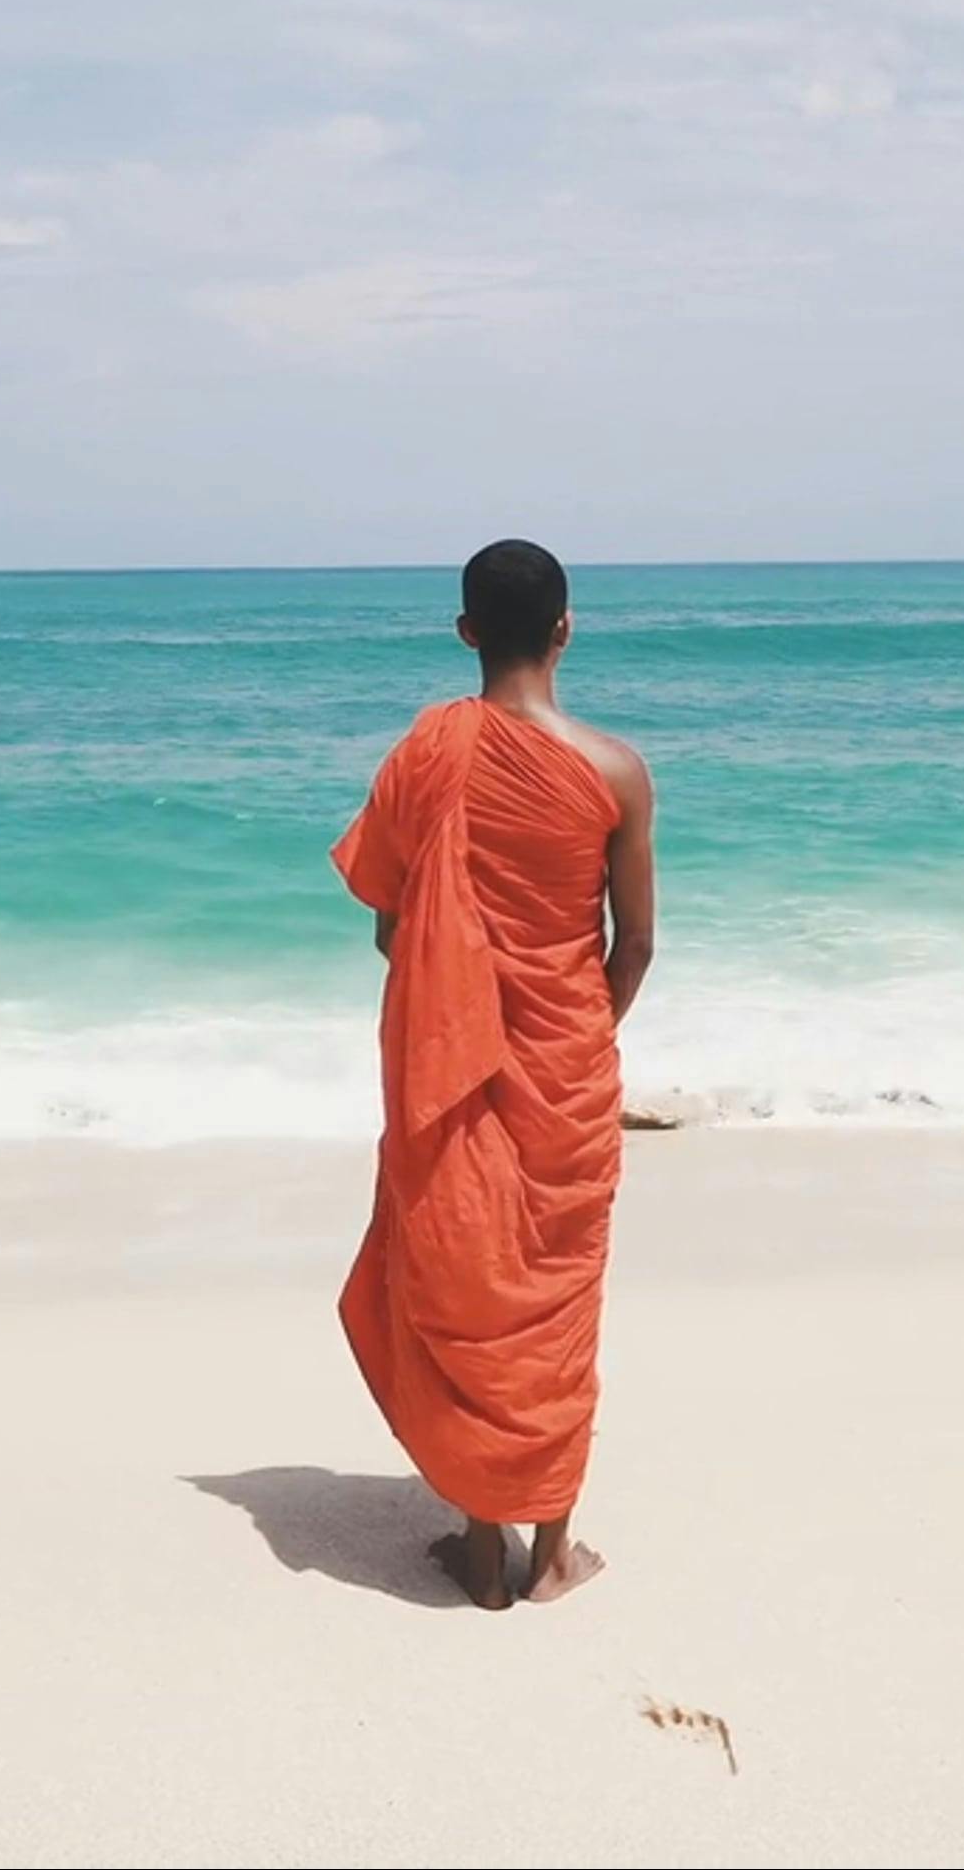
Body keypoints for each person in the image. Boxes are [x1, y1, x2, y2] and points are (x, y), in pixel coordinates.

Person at [330, 539, 658, 1610]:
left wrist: (466, 1012)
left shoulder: (428, 751)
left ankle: (480, 1550)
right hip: (569, 1064)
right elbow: (637, 944)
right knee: (556, 1299)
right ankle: (552, 1553)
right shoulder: (615, 771)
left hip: (454, 1064)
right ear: (567, 628)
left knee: (469, 1281)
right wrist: (576, 1035)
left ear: (466, 633)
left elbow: (393, 925)